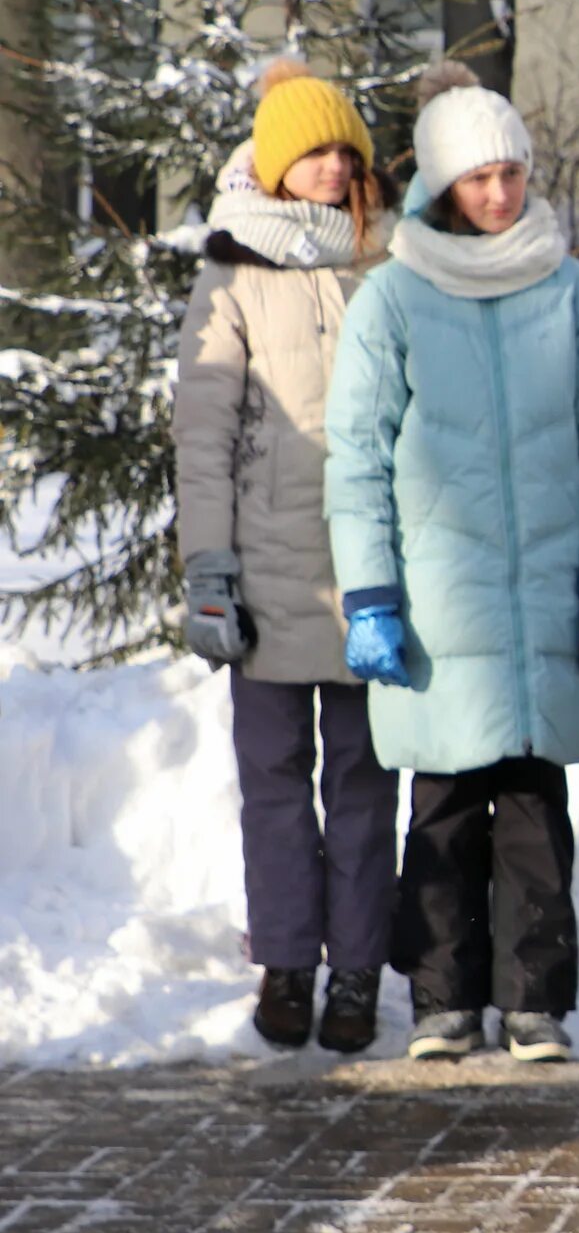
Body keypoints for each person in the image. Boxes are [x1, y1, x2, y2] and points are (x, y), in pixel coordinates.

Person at [324, 63, 579, 1065]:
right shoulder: (397, 299)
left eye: (511, 172)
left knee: (537, 813)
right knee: (447, 811)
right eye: (479, 177)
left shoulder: (568, 289)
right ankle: (443, 1002)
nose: (499, 193)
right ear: (443, 186)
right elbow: (358, 458)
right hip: (440, 604)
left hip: (547, 597)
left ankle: (536, 1001)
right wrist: (370, 595)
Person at [175, 59, 402, 1054]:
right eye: (307, 149)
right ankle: (286, 961)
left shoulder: (386, 264)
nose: (327, 164)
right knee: (273, 779)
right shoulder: (231, 275)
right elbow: (203, 433)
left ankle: (357, 966)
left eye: (339, 148)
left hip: (368, 576)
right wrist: (209, 569)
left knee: (362, 781)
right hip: (266, 579)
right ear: (272, 166)